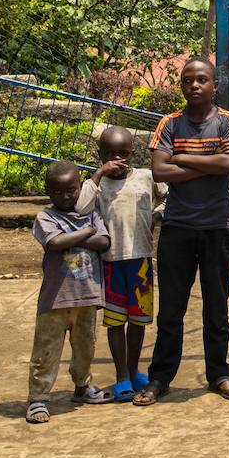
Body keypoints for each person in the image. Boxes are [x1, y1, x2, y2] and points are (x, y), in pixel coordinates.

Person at [134, 57, 229, 405]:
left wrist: (181, 159)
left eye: (202, 80)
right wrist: (209, 164)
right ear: (181, 85)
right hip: (178, 227)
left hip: (217, 227)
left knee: (217, 306)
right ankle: (160, 377)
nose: (194, 86)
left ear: (215, 85)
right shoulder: (170, 124)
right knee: (172, 308)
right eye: (187, 80)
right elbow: (159, 172)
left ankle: (220, 374)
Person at [76, 125, 163, 402]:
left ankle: (135, 370)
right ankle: (121, 375)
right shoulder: (97, 184)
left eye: (123, 154)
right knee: (115, 322)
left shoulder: (146, 177)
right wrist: (99, 174)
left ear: (132, 153)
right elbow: (80, 208)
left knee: (138, 320)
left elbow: (170, 195)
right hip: (111, 262)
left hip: (140, 260)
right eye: (110, 154)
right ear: (100, 155)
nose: (117, 159)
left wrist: (158, 214)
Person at [26, 160, 112, 423]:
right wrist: (86, 231)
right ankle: (38, 398)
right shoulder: (45, 217)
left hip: (87, 296)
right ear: (49, 192)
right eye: (58, 192)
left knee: (85, 346)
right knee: (46, 350)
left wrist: (77, 234)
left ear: (80, 187)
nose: (65, 196)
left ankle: (82, 386)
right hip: (56, 299)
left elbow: (104, 242)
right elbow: (54, 243)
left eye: (71, 190)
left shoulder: (92, 211)